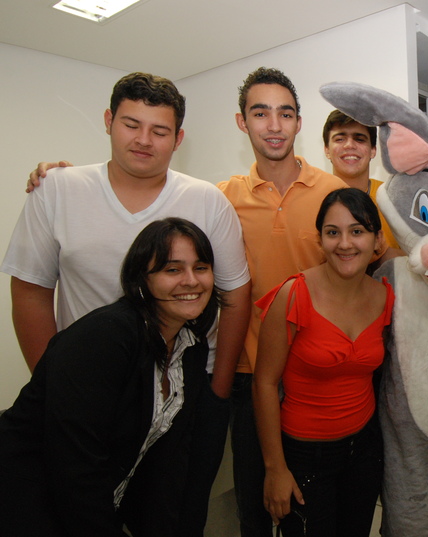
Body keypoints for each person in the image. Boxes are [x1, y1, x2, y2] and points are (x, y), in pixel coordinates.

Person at [6, 72, 251, 537]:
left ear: (178, 138)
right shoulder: (58, 189)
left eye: (159, 130)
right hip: (87, 392)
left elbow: (235, 295)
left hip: (181, 388)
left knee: (172, 512)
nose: (143, 140)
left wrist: (217, 392)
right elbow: (32, 290)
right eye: (131, 124)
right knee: (80, 504)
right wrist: (61, 387)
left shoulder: (205, 200)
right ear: (108, 121)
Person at [0, 217, 222, 536]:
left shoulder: (191, 347)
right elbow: (74, 465)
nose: (191, 281)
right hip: (28, 506)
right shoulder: (104, 337)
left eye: (201, 268)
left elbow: (164, 465)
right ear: (141, 279)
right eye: (172, 270)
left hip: (91, 506)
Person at [217, 67, 351, 536]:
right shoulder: (220, 200)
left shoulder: (333, 193)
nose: (274, 125)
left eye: (285, 113)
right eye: (261, 113)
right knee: (254, 514)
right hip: (250, 376)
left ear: (298, 122)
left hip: (317, 378)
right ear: (242, 122)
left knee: (315, 515)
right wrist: (66, 180)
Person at [252, 188, 392, 536]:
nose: (344, 243)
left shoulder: (384, 296)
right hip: (304, 457)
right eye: (333, 232)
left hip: (364, 451)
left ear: (377, 240)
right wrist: (275, 469)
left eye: (357, 231)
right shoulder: (294, 295)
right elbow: (264, 383)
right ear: (320, 240)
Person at [322, 109, 401, 251]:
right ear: (327, 150)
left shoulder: (393, 199)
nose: (349, 145)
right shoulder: (313, 197)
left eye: (359, 139)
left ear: (373, 150)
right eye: (340, 139)